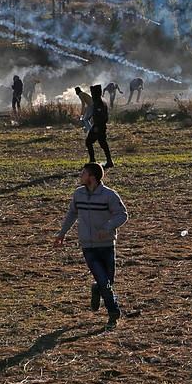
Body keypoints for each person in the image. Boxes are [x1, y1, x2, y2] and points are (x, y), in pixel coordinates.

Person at [54, 163, 129, 329]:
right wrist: (62, 234)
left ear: (92, 177)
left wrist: (107, 228)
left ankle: (96, 288)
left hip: (107, 245)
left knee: (107, 282)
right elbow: (72, 214)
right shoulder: (78, 194)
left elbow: (122, 215)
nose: (80, 176)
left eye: (84, 173)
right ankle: (113, 313)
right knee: (104, 281)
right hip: (88, 246)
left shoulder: (109, 195)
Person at [86, 85, 114, 169]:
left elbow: (101, 117)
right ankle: (109, 161)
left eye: (92, 93)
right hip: (100, 126)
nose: (92, 95)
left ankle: (92, 161)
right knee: (103, 143)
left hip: (98, 126)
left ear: (96, 94)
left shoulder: (99, 102)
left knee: (89, 142)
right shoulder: (102, 100)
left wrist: (97, 126)